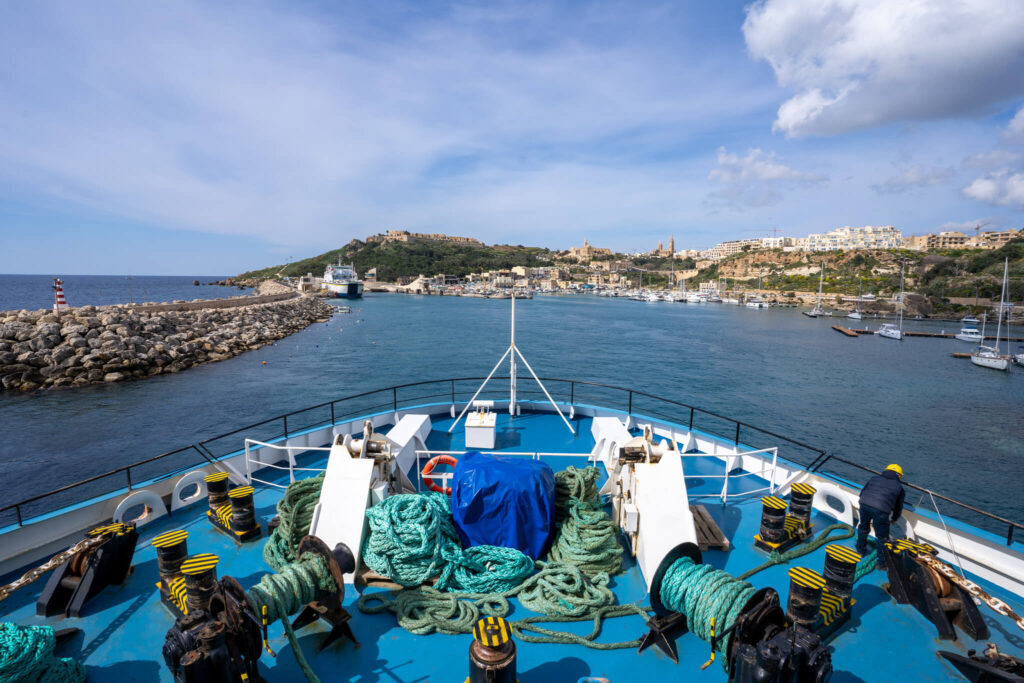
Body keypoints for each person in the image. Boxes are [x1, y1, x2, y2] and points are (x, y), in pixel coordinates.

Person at [856, 464, 905, 567]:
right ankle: (881, 563)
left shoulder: (874, 478)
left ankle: (860, 551)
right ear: (899, 476)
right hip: (881, 509)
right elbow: (898, 507)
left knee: (863, 528)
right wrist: (894, 518)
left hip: (864, 503)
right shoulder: (899, 487)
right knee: (882, 537)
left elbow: (862, 493)